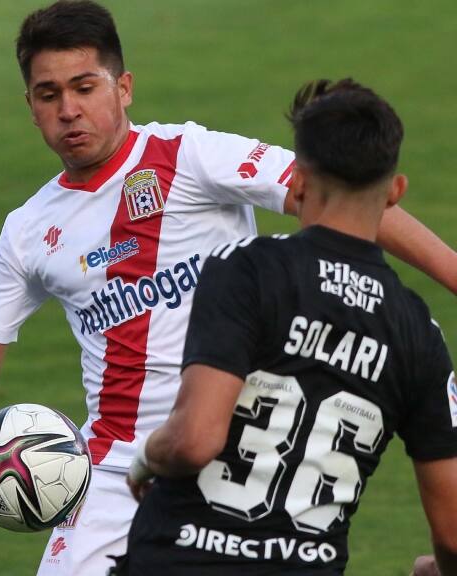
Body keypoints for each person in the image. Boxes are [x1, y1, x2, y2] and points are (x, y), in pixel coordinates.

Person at [0, 2, 457, 574]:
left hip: (234, 460)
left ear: (124, 87)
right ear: (31, 108)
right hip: (113, 473)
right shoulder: (29, 231)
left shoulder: (191, 157)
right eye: (48, 95)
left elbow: (342, 197)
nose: (69, 110)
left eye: (85, 87)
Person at [123, 79, 457, 575]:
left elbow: (195, 440)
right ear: (396, 192)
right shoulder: (419, 333)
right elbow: (452, 529)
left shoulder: (246, 269)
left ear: (297, 182)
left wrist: (148, 457)